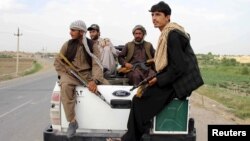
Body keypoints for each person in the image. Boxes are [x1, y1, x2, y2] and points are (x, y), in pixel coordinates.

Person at [115, 1, 204, 141]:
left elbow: (179, 67)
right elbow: (171, 66)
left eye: (158, 14)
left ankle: (131, 138)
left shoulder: (173, 34)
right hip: (176, 78)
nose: (154, 18)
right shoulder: (168, 33)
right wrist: (155, 78)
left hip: (181, 83)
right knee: (142, 95)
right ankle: (136, 134)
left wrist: (158, 79)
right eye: (152, 15)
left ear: (168, 17)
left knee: (139, 100)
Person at [54, 20, 109, 138]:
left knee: (108, 87)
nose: (70, 32)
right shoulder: (67, 44)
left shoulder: (92, 45)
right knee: (65, 85)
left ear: (81, 32)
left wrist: (94, 81)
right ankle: (72, 122)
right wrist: (64, 74)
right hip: (71, 75)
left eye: (73, 30)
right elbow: (58, 62)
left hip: (88, 75)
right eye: (70, 30)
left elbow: (97, 64)